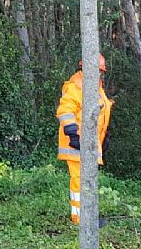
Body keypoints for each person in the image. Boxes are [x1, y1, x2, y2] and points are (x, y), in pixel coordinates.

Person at [55, 53, 113, 225]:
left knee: (87, 182)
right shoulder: (77, 86)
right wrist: (73, 135)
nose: (100, 75)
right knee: (80, 182)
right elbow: (65, 110)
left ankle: (87, 216)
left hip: (89, 144)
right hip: (76, 144)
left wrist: (104, 138)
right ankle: (81, 219)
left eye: (101, 72)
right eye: (99, 71)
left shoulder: (95, 87)